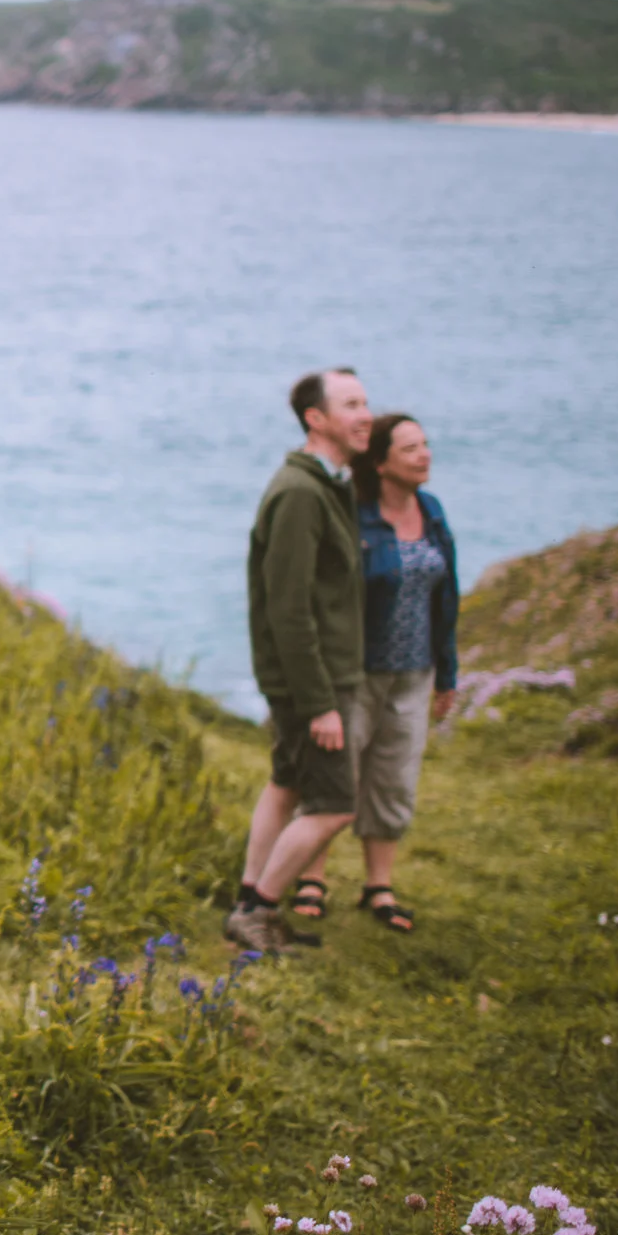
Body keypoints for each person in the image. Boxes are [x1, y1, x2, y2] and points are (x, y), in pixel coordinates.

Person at [286, 414, 457, 933]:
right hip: (357, 670)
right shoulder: (353, 517)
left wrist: (447, 673)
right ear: (381, 463)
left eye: (425, 445)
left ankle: (378, 885)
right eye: (410, 449)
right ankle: (310, 877)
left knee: (395, 775)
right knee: (338, 774)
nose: (424, 455)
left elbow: (445, 596)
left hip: (414, 671)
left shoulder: (431, 512)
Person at [227, 367, 374, 953]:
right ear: (316, 419)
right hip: (313, 683)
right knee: (336, 806)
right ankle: (258, 912)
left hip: (310, 679)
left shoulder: (324, 485)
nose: (366, 415)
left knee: (286, 783)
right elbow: (288, 609)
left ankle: (247, 899)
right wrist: (319, 705)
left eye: (366, 402)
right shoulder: (299, 494)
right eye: (352, 405)